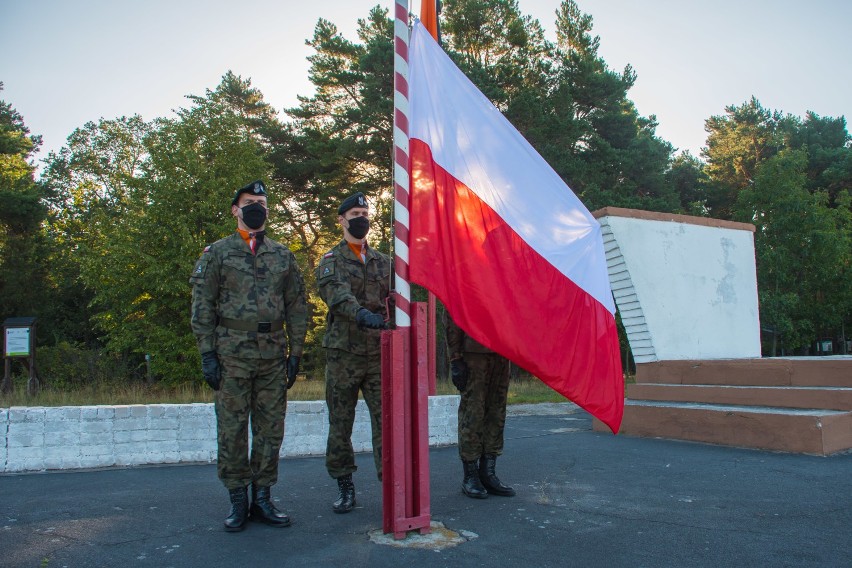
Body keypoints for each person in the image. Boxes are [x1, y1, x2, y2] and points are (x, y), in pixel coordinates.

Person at [190, 180, 308, 532]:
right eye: (249, 202)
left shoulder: (282, 255)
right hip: (231, 356)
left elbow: (297, 307)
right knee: (232, 430)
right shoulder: (217, 254)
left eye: (262, 203)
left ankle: (263, 498)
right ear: (235, 210)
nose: (257, 207)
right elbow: (202, 306)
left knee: (271, 430)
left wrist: (296, 353)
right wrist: (207, 354)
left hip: (272, 355)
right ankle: (238, 501)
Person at [315, 192, 391, 514]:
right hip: (344, 354)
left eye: (365, 212)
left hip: (377, 356)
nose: (361, 218)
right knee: (340, 423)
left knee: (386, 423)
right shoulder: (331, 261)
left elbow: (397, 299)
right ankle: (345, 486)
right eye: (355, 213)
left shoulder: (384, 261)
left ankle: (391, 486)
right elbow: (338, 296)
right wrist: (362, 315)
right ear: (342, 220)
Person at [445, 314, 516, 499]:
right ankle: (470, 475)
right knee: (473, 413)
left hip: (501, 351)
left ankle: (488, 472)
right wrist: (455, 358)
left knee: (497, 413)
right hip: (473, 354)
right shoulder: (466, 283)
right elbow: (453, 313)